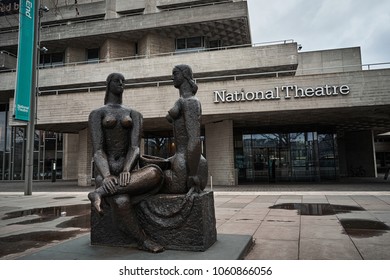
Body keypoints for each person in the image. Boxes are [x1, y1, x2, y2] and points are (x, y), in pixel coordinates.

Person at [87, 73, 164, 253]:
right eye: (116, 80)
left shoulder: (134, 114)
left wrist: (127, 169)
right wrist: (106, 176)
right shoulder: (97, 114)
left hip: (128, 175)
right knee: (121, 201)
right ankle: (143, 240)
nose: (121, 83)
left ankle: (98, 194)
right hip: (106, 174)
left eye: (123, 81)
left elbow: (135, 147)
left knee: (155, 173)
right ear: (108, 84)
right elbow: (98, 150)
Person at [162, 64, 208, 194]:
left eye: (175, 73)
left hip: (187, 164)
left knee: (152, 178)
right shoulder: (182, 101)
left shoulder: (191, 102)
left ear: (185, 75)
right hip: (181, 160)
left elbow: (194, 138)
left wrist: (193, 175)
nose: (172, 77)